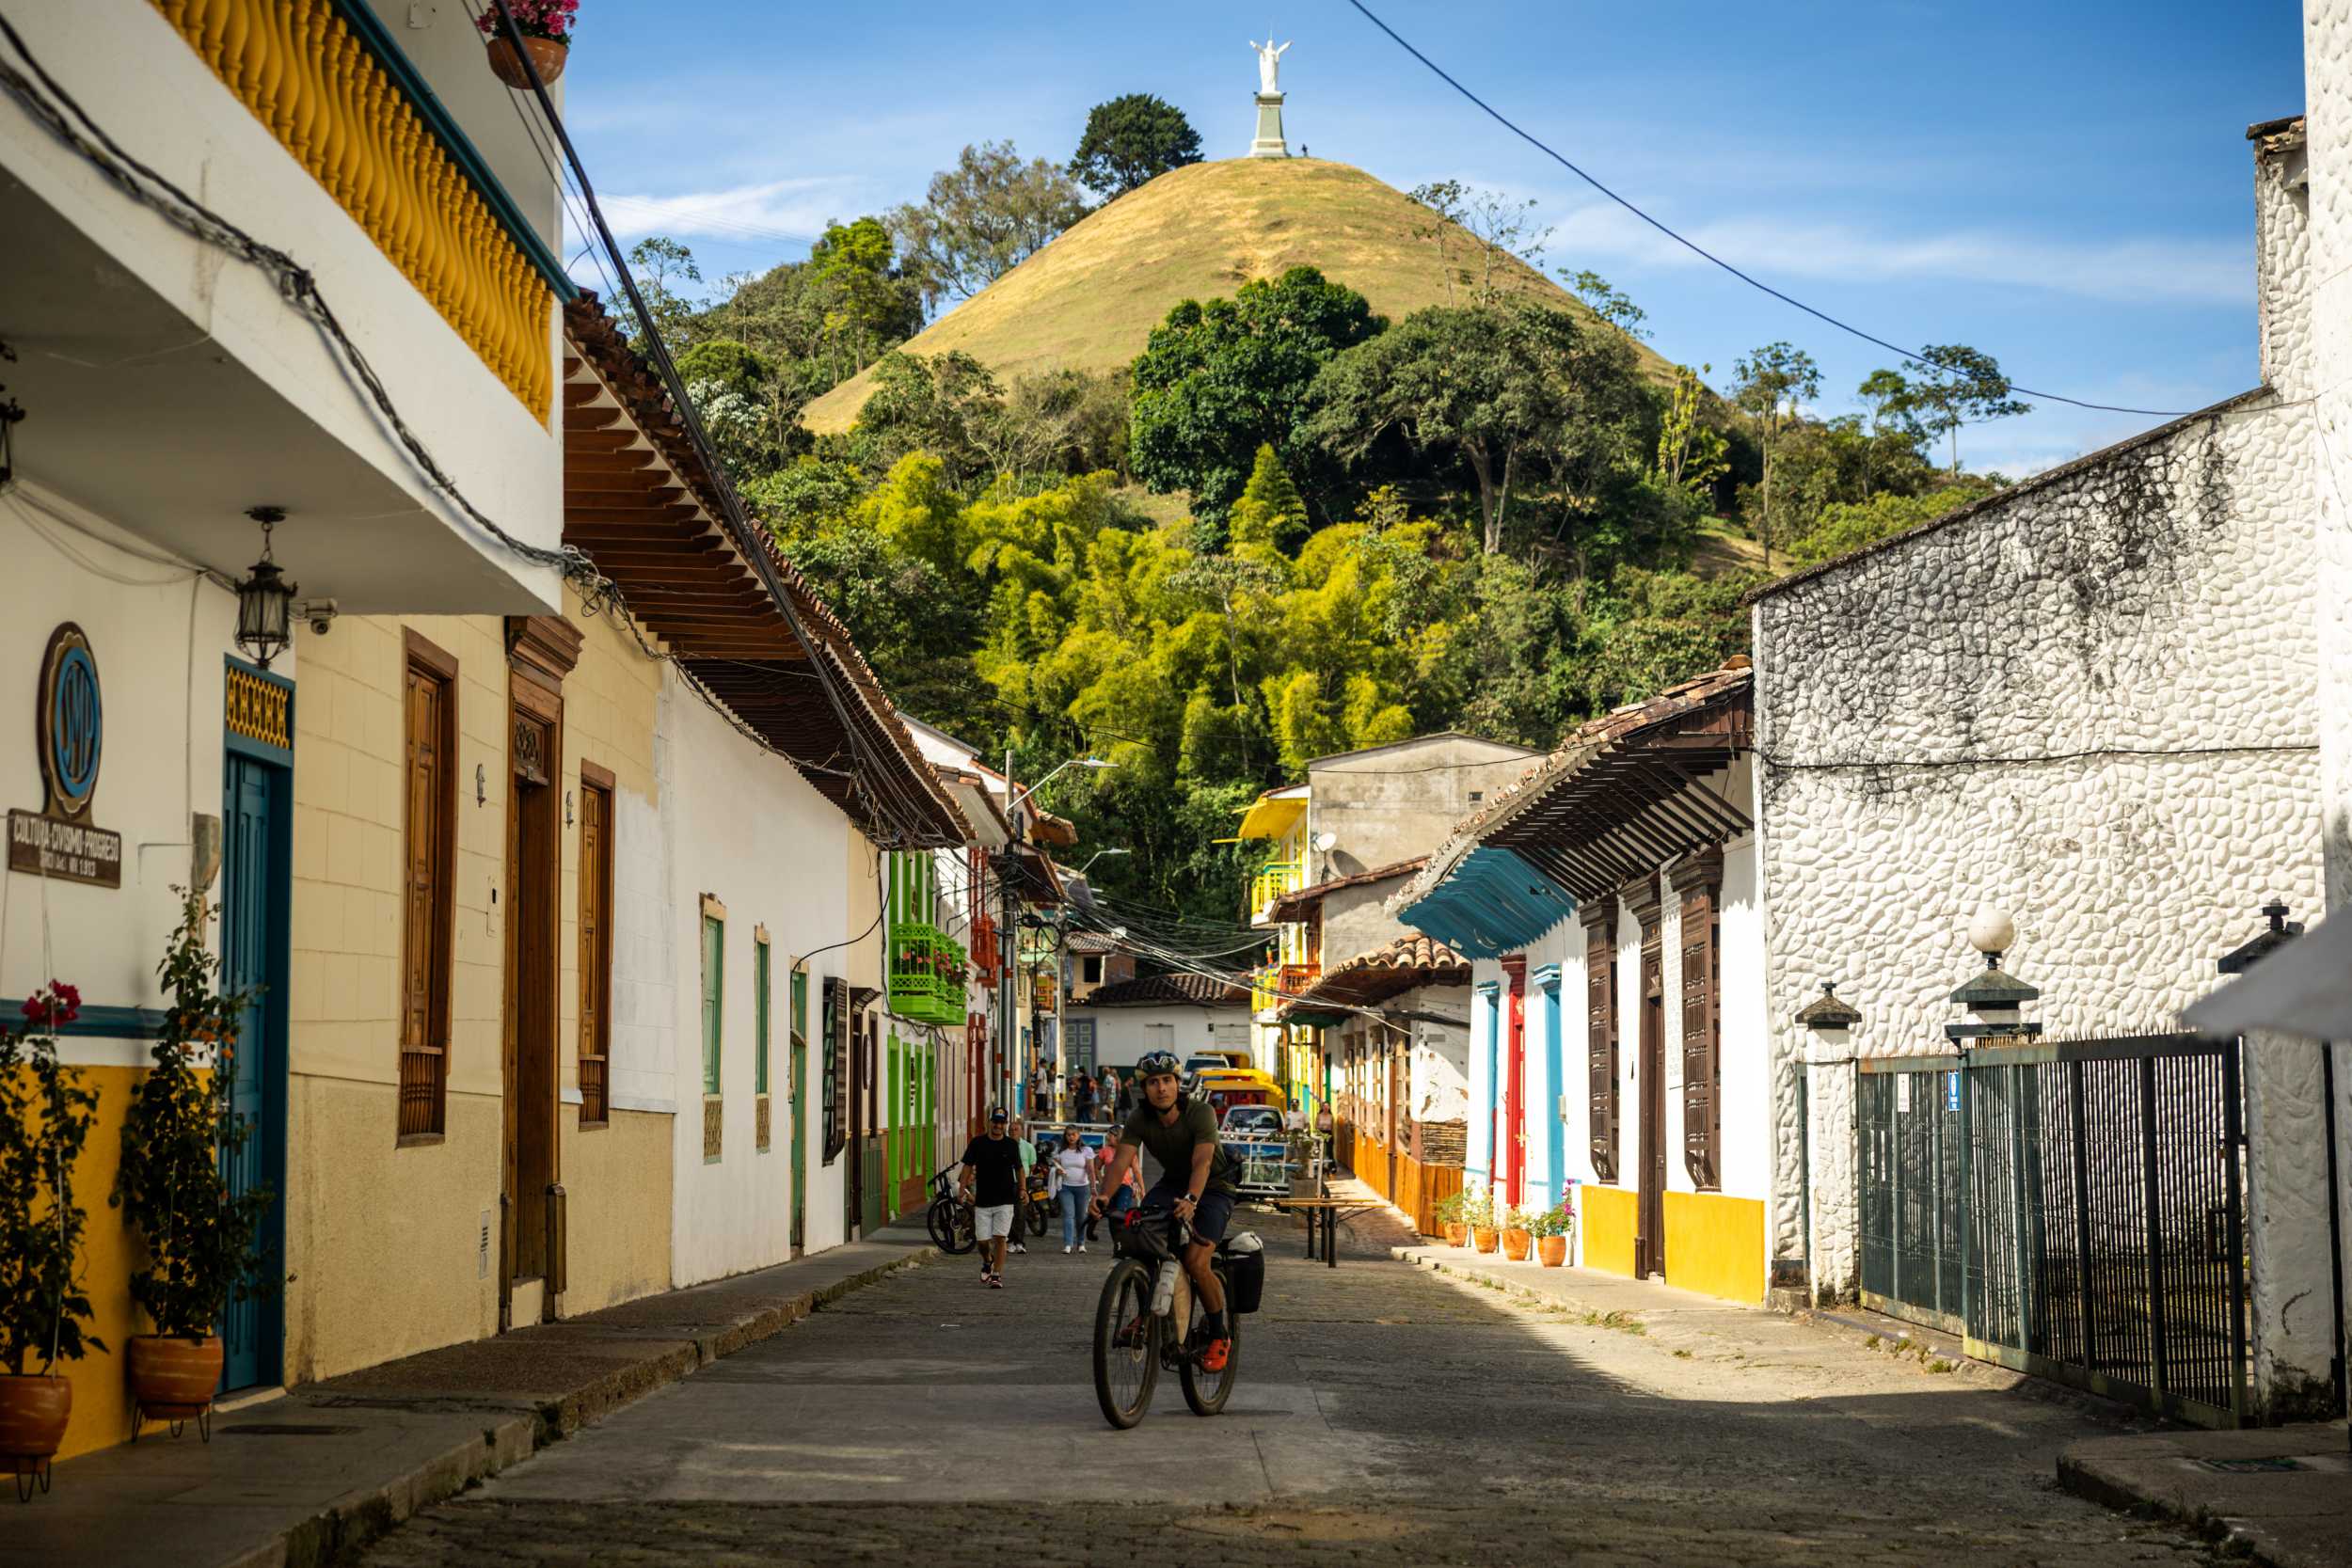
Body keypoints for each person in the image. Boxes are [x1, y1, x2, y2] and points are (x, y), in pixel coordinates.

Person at [1091, 1051, 1240, 1372]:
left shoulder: (1200, 1112)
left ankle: (1219, 1334)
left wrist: (1192, 1199)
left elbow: (1202, 1162)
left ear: (1178, 1084)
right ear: (1144, 1089)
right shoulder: (1139, 1119)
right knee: (1141, 1237)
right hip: (1173, 1182)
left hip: (1213, 1186)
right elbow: (1120, 1162)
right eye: (1154, 1082)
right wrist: (1104, 1196)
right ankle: (1145, 1315)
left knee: (1196, 1261)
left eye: (1168, 1081)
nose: (1162, 1088)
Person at [959, 1108, 1023, 1288]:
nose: (998, 1126)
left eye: (1002, 1123)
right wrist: (962, 1189)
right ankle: (987, 1260)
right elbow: (967, 1167)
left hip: (1005, 1199)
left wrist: (1023, 1189)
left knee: (1000, 1238)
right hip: (983, 1200)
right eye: (995, 1122)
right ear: (990, 1122)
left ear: (1005, 1125)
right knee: (982, 1242)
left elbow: (1019, 1168)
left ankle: (996, 1275)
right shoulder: (978, 1143)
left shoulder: (1011, 1145)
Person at [1052, 1128, 1096, 1253]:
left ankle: (1081, 1243)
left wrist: (1093, 1188)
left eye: (1073, 1134)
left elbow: (1091, 1170)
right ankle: (1068, 1244)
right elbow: (1055, 1163)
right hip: (1065, 1187)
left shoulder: (1086, 1150)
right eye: (1068, 1135)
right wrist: (1057, 1169)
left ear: (1078, 1135)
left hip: (1083, 1187)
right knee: (1068, 1215)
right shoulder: (1061, 1151)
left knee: (1081, 1216)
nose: (1071, 1137)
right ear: (1065, 1136)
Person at [1006, 1116, 1037, 1255]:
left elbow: (1032, 1164)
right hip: (1006, 1182)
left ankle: (1019, 1242)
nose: (1013, 1132)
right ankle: (1011, 1241)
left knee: (1020, 1213)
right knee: (1008, 1213)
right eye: (1010, 1130)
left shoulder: (1028, 1147)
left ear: (1021, 1132)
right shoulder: (1003, 1145)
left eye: (1016, 1130)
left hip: (1022, 1183)